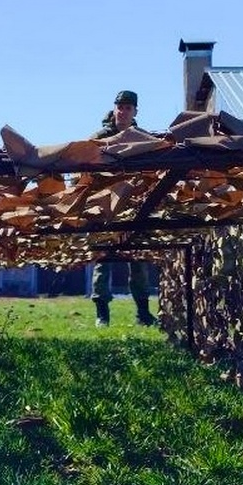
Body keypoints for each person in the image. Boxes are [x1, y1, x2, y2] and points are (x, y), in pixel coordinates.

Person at [90, 90, 155, 327]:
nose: (123, 111)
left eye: (128, 108)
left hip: (134, 203)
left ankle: (143, 314)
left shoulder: (142, 137)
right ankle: (102, 315)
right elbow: (85, 161)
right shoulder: (100, 137)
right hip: (106, 204)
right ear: (114, 109)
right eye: (120, 107)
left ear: (135, 112)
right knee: (103, 258)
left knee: (137, 257)